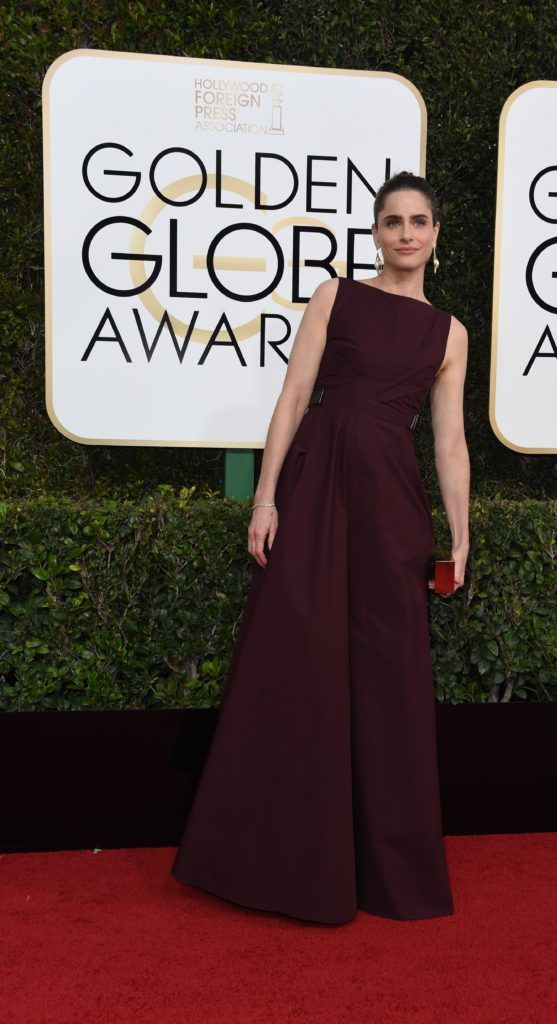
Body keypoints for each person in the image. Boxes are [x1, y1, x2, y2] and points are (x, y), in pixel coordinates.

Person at [171, 170, 470, 925]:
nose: (407, 233)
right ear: (376, 231)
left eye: (420, 221)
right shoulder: (336, 295)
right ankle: (279, 861)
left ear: (436, 235)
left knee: (386, 678)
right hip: (315, 485)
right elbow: (295, 394)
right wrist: (265, 497)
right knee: (296, 663)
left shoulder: (450, 333)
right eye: (394, 220)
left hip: (391, 506)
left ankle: (386, 873)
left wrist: (462, 537)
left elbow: (450, 443)